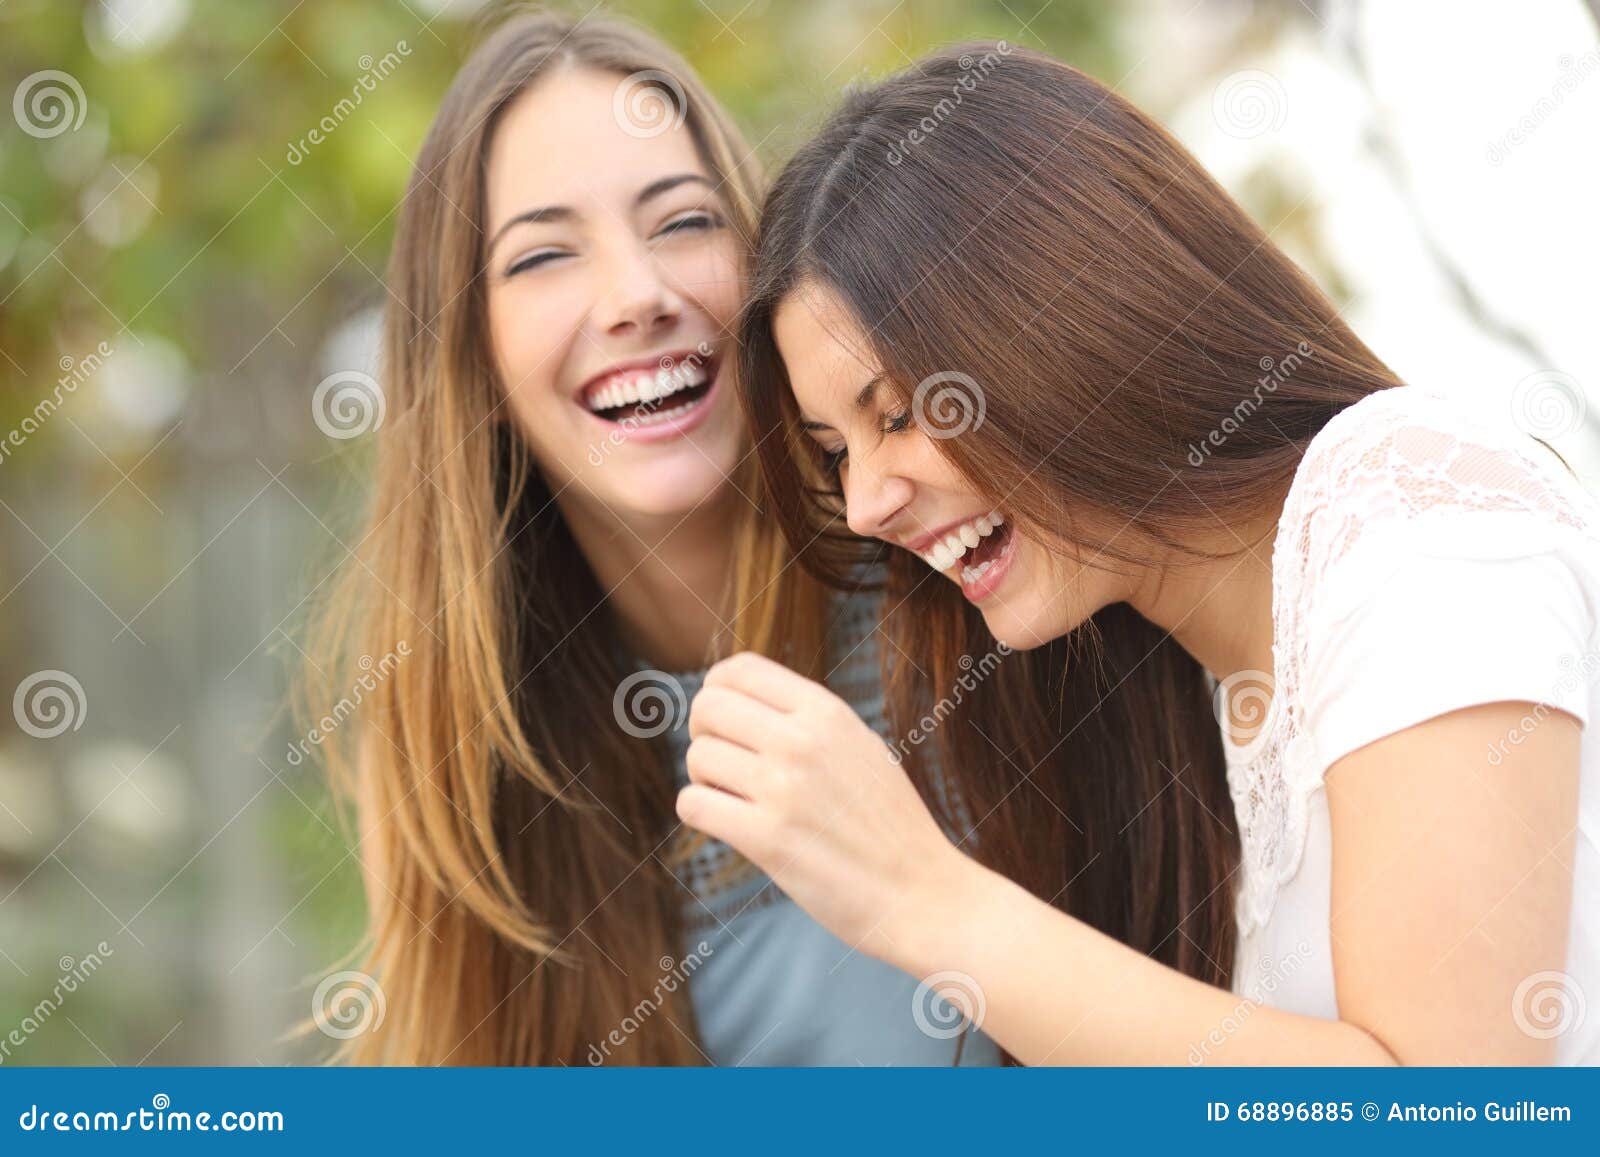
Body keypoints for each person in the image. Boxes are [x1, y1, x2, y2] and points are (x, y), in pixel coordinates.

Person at [683, 43, 1600, 1065]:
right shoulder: (1160, 690)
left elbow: (1449, 1112)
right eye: (832, 454)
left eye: (897, 414)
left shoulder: (1410, 500)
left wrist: (918, 895)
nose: (863, 505)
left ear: (1065, 315)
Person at [309, 13, 999, 1066]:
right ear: (474, 365)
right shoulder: (469, 757)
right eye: (543, 254)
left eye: (681, 222)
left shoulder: (962, 582)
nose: (638, 296)